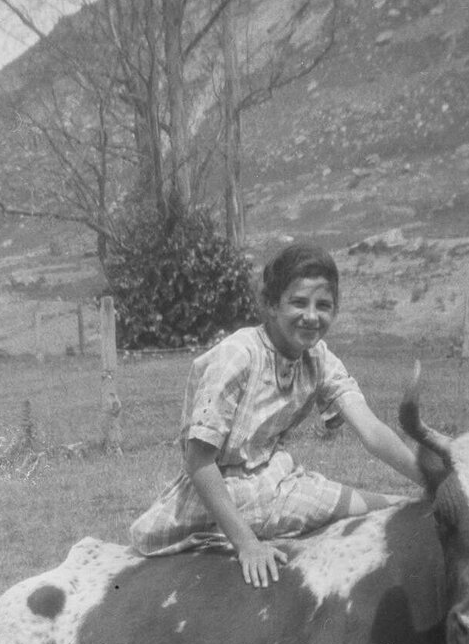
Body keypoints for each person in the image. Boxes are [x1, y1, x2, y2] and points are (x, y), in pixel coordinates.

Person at [127, 243, 424, 587]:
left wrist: (431, 481)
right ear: (271, 304)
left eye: (323, 306)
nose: (311, 316)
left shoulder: (319, 358)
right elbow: (199, 462)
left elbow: (372, 431)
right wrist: (247, 545)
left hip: (278, 483)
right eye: (298, 302)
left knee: (396, 507)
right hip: (218, 492)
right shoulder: (238, 356)